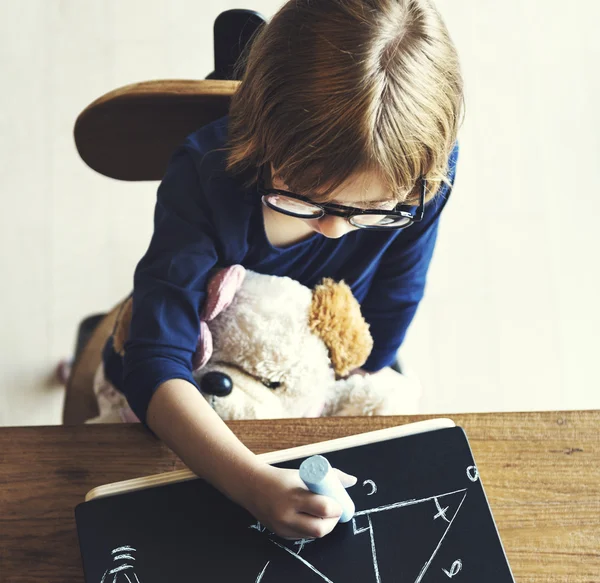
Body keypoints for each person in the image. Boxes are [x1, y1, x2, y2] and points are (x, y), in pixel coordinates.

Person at [101, 0, 464, 540]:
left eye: (375, 211)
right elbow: (155, 360)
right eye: (309, 199)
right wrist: (252, 483)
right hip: (207, 374)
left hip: (324, 362)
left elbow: (394, 303)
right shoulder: (207, 175)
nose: (337, 230)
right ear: (260, 132)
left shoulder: (421, 178)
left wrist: (329, 389)